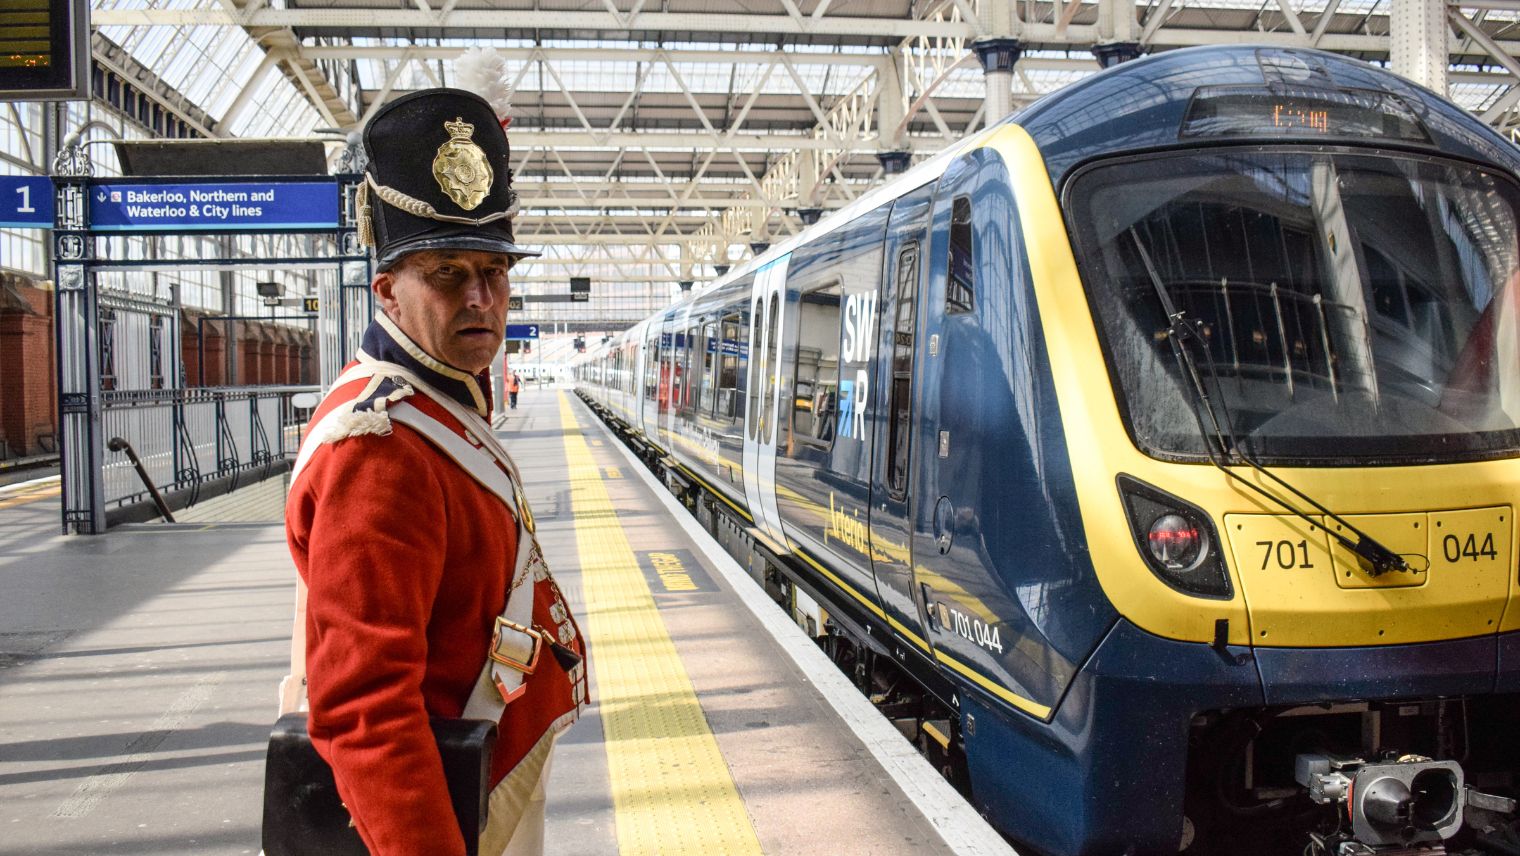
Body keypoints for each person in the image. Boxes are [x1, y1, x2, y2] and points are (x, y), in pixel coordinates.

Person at [282, 88, 588, 856]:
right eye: (448, 273)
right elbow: (366, 711)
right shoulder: (378, 447)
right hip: (447, 811)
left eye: (494, 270)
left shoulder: (436, 405)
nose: (482, 298)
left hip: (475, 771)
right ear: (387, 288)